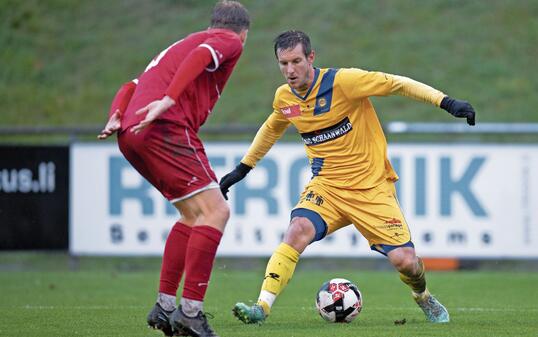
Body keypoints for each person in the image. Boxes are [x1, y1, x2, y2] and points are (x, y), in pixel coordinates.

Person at [220, 30, 476, 325]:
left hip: (371, 189)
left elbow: (397, 84)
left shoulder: (344, 82)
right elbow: (272, 127)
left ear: (311, 58)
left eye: (296, 61)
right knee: (296, 230)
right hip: (327, 188)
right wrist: (242, 168)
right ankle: (261, 308)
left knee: (407, 263)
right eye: (283, 63)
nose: (290, 70)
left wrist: (446, 102)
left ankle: (423, 296)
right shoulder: (285, 98)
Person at [98, 2, 250, 336]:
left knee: (192, 215)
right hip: (164, 126)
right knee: (216, 212)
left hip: (130, 134)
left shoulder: (181, 44)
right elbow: (201, 59)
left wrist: (116, 113)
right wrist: (169, 99)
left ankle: (165, 307)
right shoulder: (229, 40)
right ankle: (190, 313)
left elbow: (131, 84)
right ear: (243, 32)